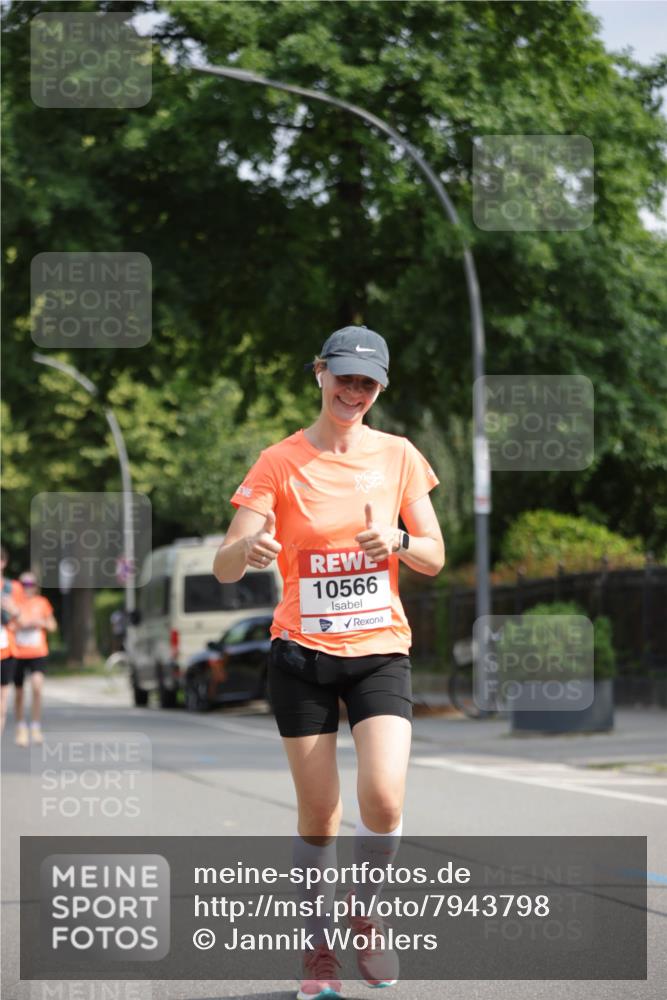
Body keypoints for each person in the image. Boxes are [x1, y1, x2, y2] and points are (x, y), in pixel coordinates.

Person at [214, 325, 444, 1000]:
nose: (354, 392)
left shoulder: (399, 455)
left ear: (380, 388)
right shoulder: (279, 461)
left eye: (367, 383)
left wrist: (397, 541)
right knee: (319, 815)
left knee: (385, 798)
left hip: (379, 651)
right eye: (344, 377)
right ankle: (318, 951)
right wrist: (250, 548)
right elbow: (225, 565)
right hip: (301, 655)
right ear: (320, 373)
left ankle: (364, 914)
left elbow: (433, 555)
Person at [13, 572, 57, 747]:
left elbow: (52, 626)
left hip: (38, 652)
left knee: (37, 687)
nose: (27, 587)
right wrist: (21, 624)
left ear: (36, 586)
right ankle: (21, 727)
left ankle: (36, 727)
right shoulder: (14, 603)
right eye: (23, 584)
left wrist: (40, 622)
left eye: (30, 584)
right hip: (18, 652)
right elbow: (8, 625)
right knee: (19, 693)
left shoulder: (42, 602)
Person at [1, 546, 23, 734]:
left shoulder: (13, 588)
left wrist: (14, 611)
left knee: (2, 704)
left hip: (6, 650)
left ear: (3, 562)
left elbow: (22, 620)